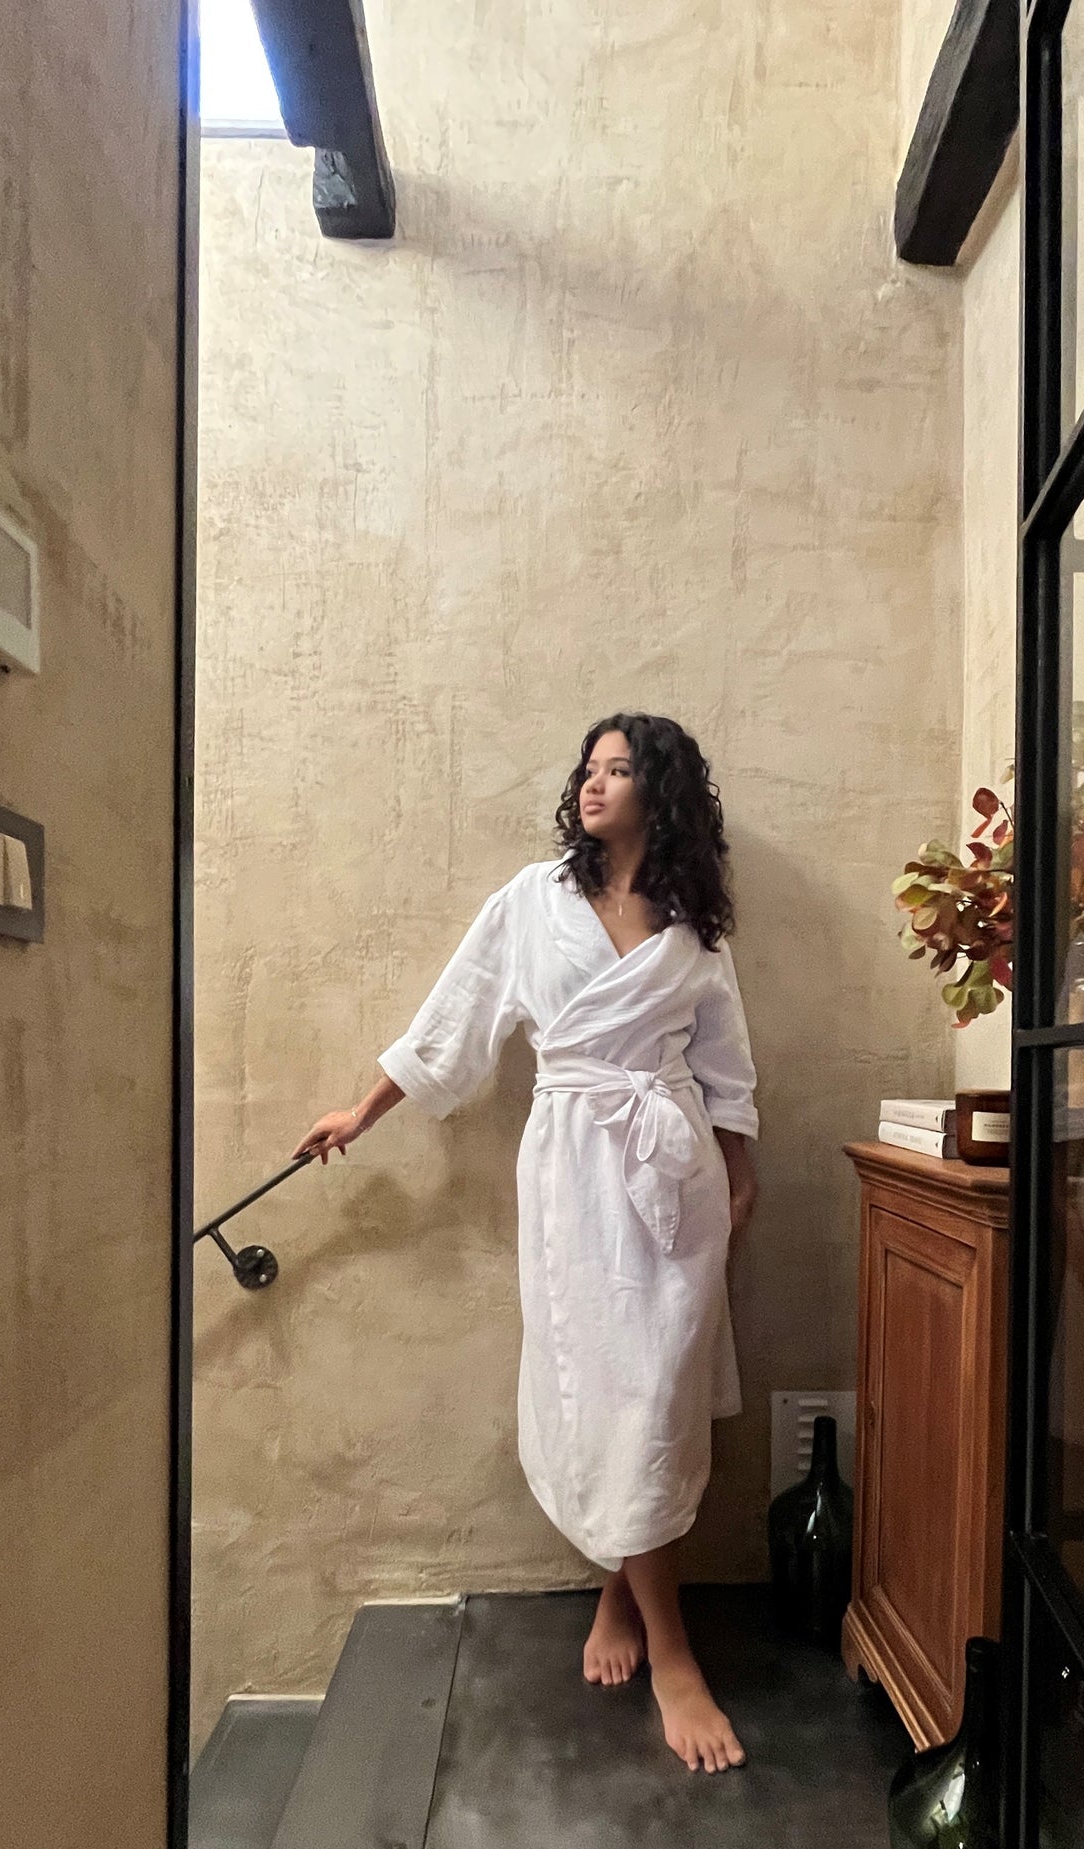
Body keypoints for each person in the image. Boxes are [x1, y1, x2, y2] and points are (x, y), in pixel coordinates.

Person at [295, 712, 759, 1773]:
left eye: (619, 767)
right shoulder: (532, 899)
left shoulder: (695, 924)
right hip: (572, 1172)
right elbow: (452, 1018)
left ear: (664, 789)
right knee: (599, 1385)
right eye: (587, 768)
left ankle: (628, 1601)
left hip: (669, 1169)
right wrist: (360, 1113)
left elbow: (727, 1064)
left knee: (658, 1392)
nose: (594, 784)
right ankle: (665, 1637)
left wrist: (740, 1174)